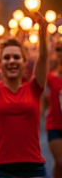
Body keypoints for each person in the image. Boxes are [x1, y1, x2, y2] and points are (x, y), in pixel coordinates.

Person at [0, 18, 48, 178]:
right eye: (7, 58)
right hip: (2, 168)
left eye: (16, 57)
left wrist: (43, 31)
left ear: (24, 62)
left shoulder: (34, 88)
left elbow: (43, 57)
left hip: (34, 167)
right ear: (0, 63)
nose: (12, 61)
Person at [46, 41, 62, 178]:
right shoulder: (51, 77)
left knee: (59, 165)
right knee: (61, 161)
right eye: (59, 50)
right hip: (55, 125)